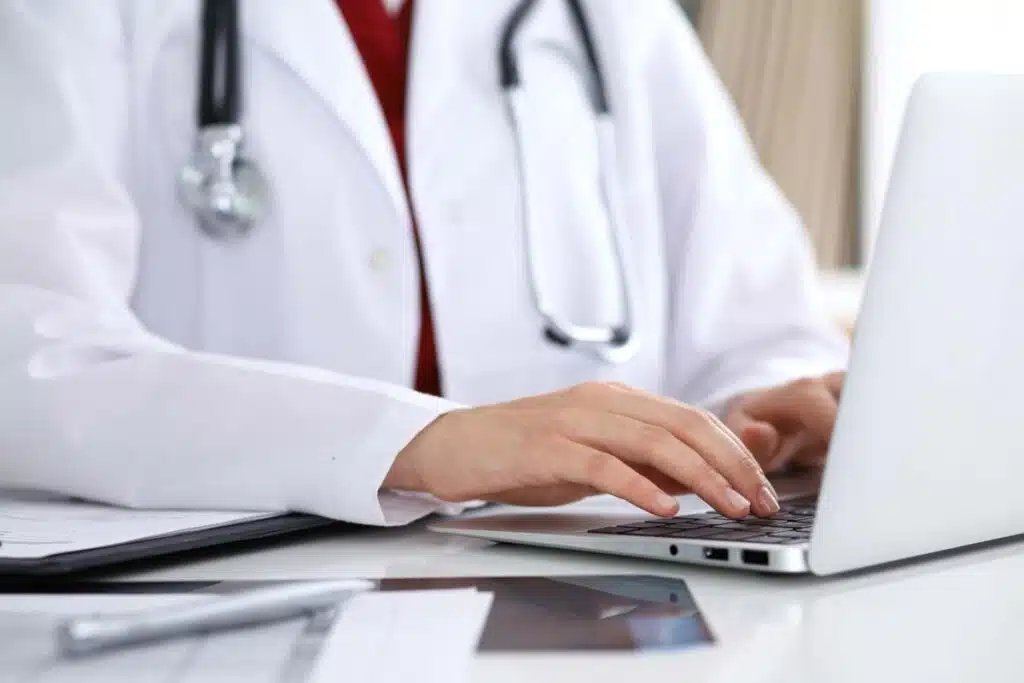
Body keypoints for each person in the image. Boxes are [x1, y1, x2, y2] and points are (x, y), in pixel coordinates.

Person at [0, 0, 848, 527]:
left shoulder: (613, 17)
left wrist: (765, 408)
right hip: (234, 597)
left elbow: (754, 322)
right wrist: (417, 442)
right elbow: (30, 358)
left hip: (599, 584)